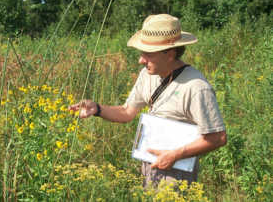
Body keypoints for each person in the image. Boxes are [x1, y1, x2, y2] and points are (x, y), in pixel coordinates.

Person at [69, 14, 227, 187]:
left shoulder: (196, 87)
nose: (140, 60)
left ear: (170, 54)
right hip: (149, 168)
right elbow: (126, 112)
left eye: (148, 54)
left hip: (177, 176)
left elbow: (218, 137)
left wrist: (175, 155)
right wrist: (97, 109)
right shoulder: (148, 74)